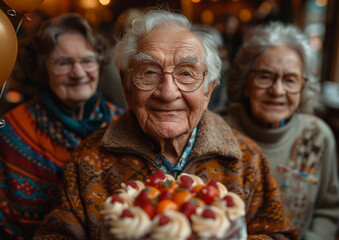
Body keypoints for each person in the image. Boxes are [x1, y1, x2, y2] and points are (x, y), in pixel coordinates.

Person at [33, 10, 298, 240]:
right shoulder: (88, 159)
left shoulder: (246, 158)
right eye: (149, 72)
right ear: (127, 87)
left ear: (208, 91)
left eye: (186, 73)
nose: (168, 92)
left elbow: (279, 234)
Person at [0, 13, 124, 239]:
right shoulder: (10, 130)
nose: (78, 73)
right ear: (42, 67)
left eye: (87, 60)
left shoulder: (124, 123)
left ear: (99, 63)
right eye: (63, 63)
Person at [219, 22, 339, 240]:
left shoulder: (317, 136)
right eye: (265, 76)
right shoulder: (216, 131)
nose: (277, 90)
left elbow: (328, 209)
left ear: (303, 87)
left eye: (290, 80)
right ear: (246, 82)